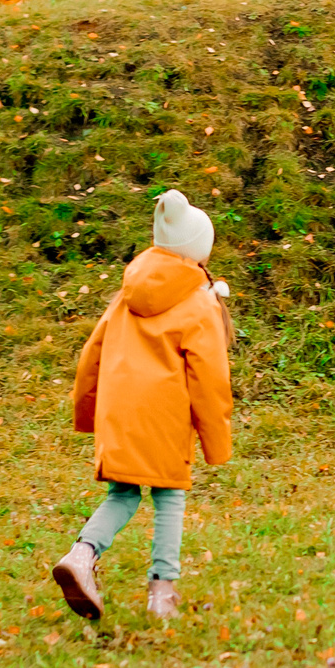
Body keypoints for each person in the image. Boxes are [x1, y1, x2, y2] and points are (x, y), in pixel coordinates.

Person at [54, 190, 233, 622]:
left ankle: (81, 555)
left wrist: (89, 413)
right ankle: (162, 592)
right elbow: (209, 379)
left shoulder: (127, 294)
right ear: (198, 251)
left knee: (122, 493)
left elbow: (92, 355)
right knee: (169, 497)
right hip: (165, 418)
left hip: (119, 411)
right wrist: (216, 442)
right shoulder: (199, 303)